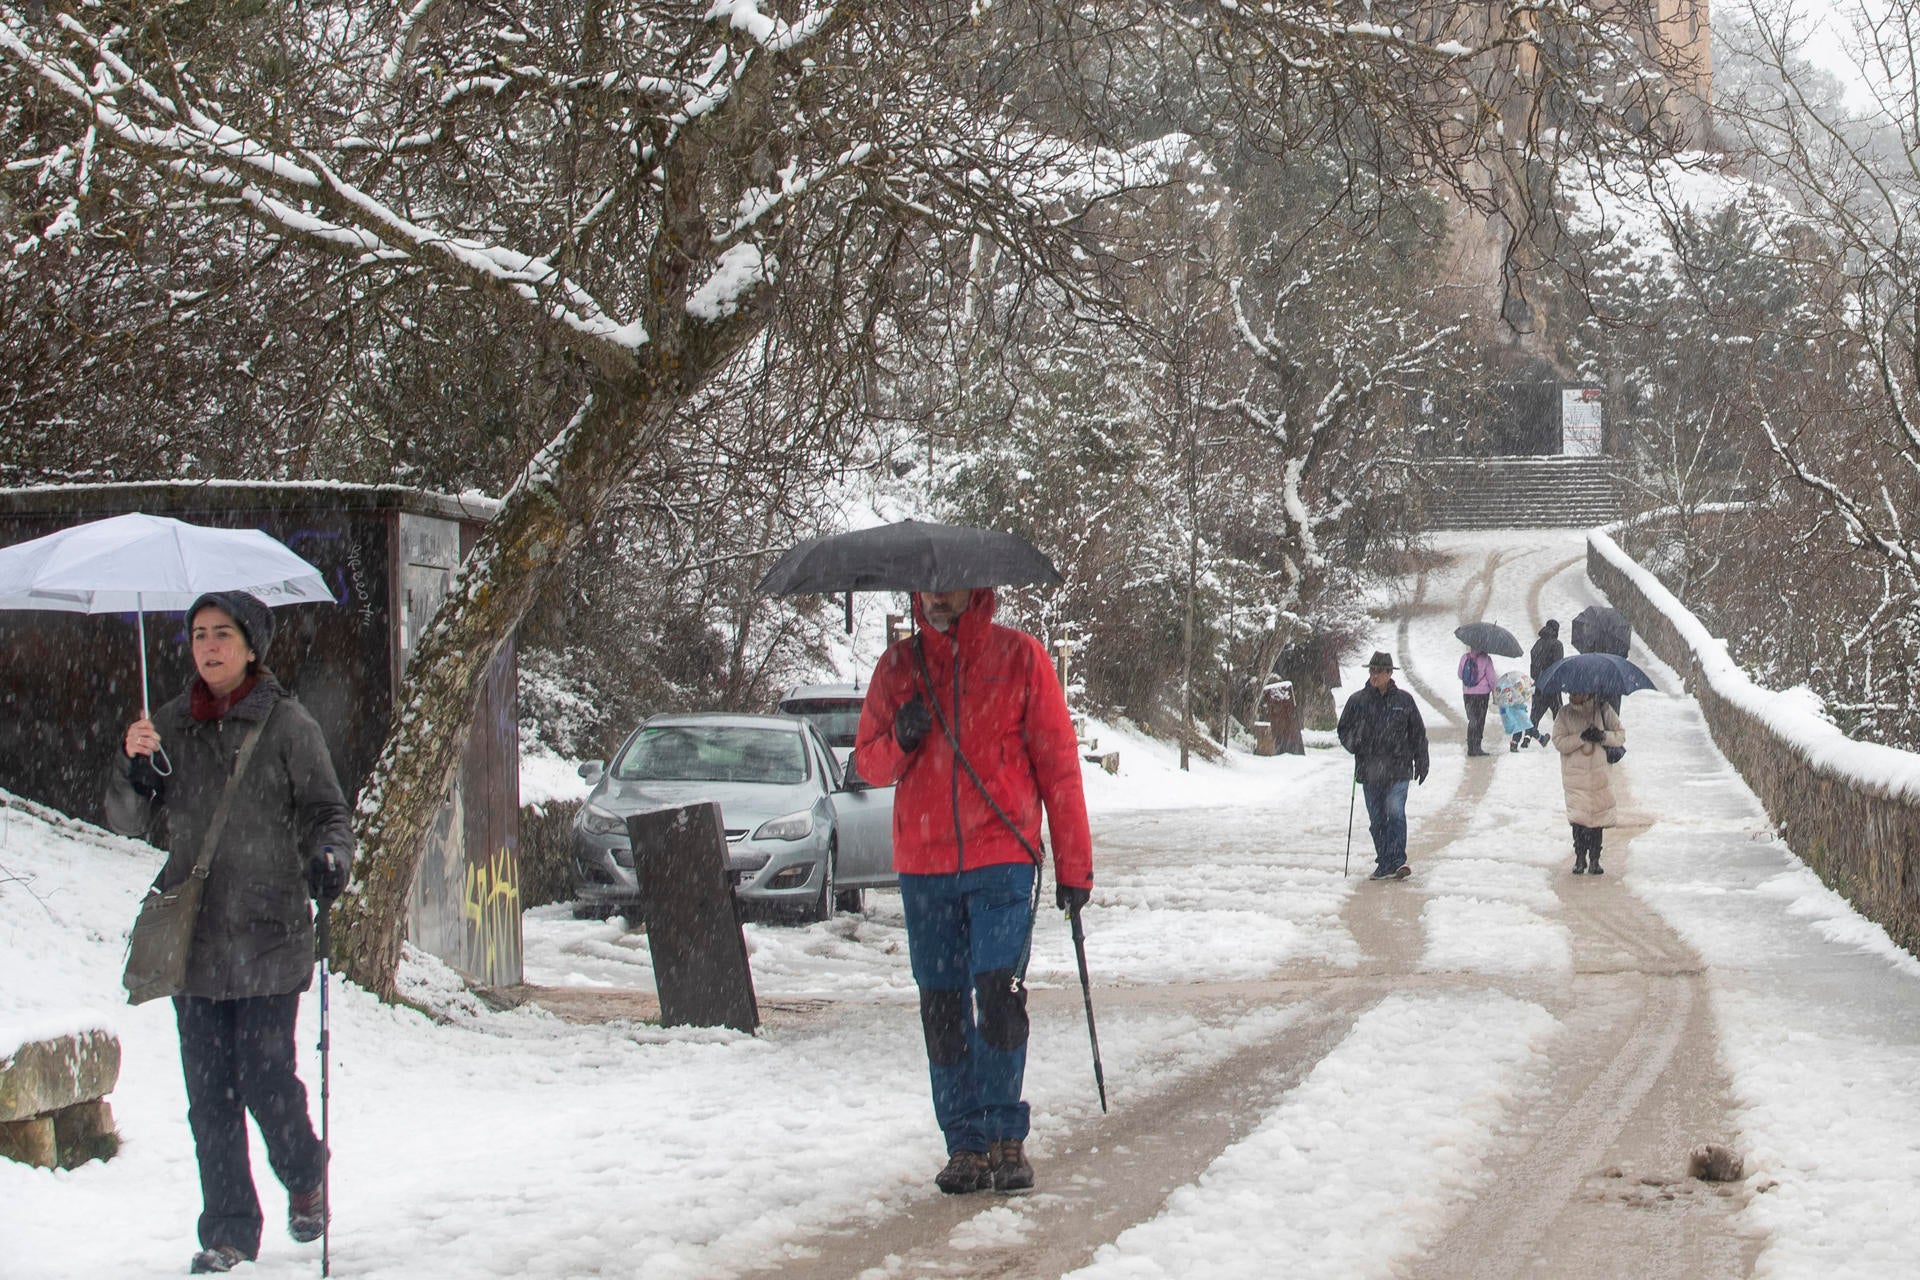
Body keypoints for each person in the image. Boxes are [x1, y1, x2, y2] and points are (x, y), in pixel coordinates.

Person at [105, 591, 353, 1275]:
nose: (208, 647)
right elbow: (126, 822)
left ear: (250, 646)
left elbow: (328, 812)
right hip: (195, 940)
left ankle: (304, 1172)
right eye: (198, 635)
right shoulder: (167, 726)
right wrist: (132, 767)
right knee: (210, 1099)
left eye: (221, 634)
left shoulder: (289, 725)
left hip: (270, 934)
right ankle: (229, 1234)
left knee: (265, 1078)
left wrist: (330, 857)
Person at [854, 586, 1093, 1197]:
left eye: (950, 583)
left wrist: (1075, 866)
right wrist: (901, 738)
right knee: (941, 1009)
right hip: (924, 866)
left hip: (1002, 860)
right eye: (928, 586)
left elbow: (1058, 765)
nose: (937, 595)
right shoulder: (898, 667)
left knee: (998, 996)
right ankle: (963, 1142)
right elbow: (869, 765)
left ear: (978, 586)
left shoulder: (1021, 658)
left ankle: (1004, 1133)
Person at [1337, 651, 1430, 880]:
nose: (1374, 675)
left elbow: (1417, 733)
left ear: (1389, 673)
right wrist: (1355, 743)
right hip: (1370, 770)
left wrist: (1422, 760)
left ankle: (1398, 861)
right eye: (1372, 670)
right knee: (1377, 819)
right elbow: (1343, 730)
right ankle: (1385, 862)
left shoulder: (1404, 701)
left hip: (1399, 768)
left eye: (1378, 671)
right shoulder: (1358, 701)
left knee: (1395, 812)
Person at [1552, 690, 1625, 875]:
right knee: (1579, 820)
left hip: (1599, 776)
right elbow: (1559, 742)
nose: (1573, 695)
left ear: (1587, 693)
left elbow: (1620, 735)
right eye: (1571, 692)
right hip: (1575, 777)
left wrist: (1602, 736)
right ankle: (1579, 858)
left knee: (1597, 820)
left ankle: (1594, 860)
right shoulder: (1564, 714)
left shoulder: (1603, 709)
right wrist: (1581, 738)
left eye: (1578, 692)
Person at [1529, 620, 1564, 744]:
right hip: (1552, 684)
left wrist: (1538, 677)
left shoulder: (1537, 643)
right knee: (1559, 713)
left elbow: (1533, 665)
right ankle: (1563, 738)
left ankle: (1526, 740)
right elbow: (1558, 665)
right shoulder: (1557, 645)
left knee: (1535, 714)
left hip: (1539, 683)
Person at [1458, 646, 1494, 756]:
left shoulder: (1464, 657)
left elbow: (1460, 675)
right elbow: (1492, 679)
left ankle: (1470, 747)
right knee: (1480, 720)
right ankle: (1477, 747)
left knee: (1472, 720)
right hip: (1482, 695)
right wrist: (1495, 692)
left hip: (1467, 694)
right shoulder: (1486, 659)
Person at [1493, 670, 1535, 752]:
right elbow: (1519, 704)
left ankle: (1514, 744)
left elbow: (1507, 708)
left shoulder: (1507, 699)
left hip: (1514, 718)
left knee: (1518, 731)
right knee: (1523, 729)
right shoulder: (1516, 696)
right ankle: (1538, 739)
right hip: (1518, 717)